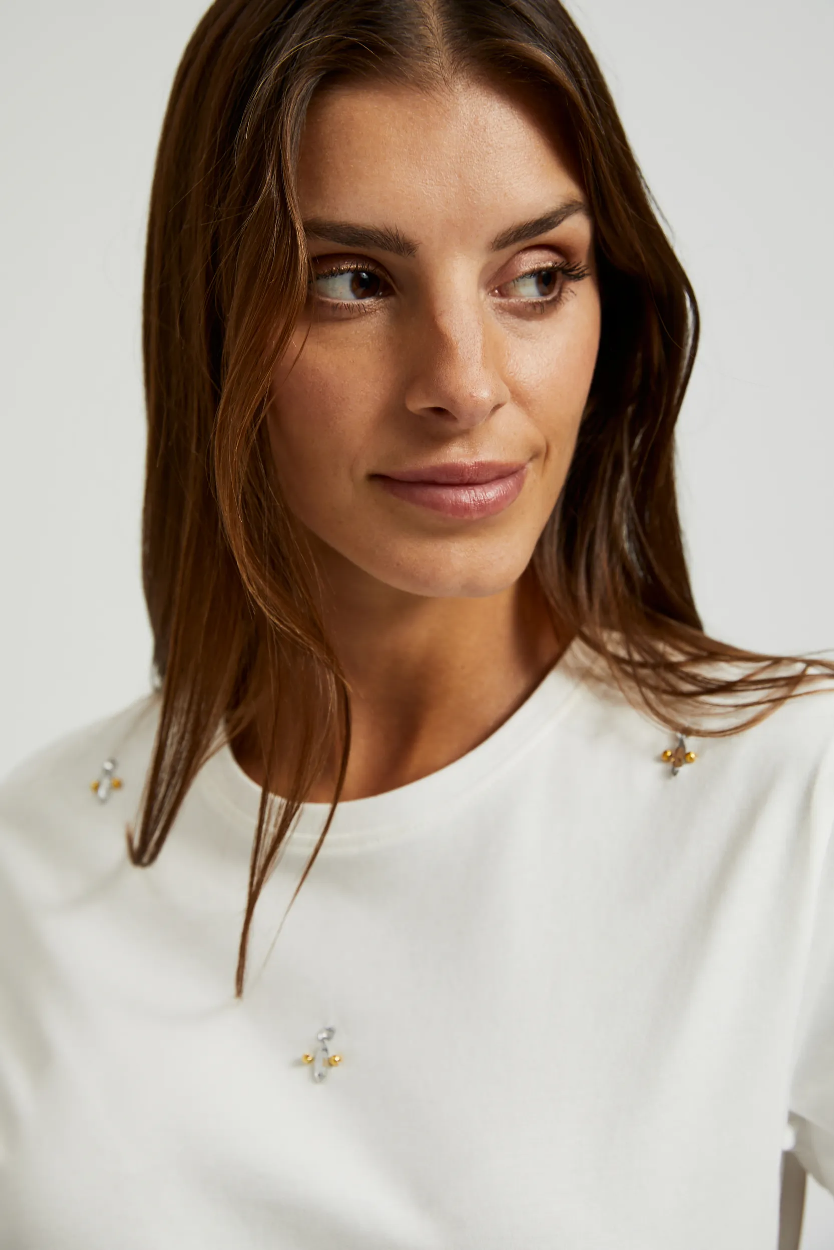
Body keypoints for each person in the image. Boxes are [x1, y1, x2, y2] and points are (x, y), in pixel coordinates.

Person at [0, 1, 832, 1246]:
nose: (464, 382)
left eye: (536, 277)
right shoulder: (31, 864)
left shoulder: (791, 801)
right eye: (352, 281)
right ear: (214, 317)